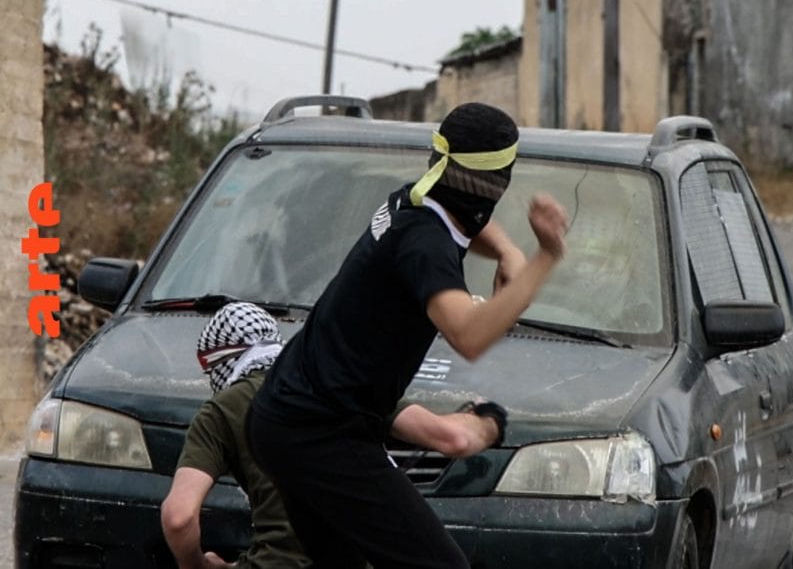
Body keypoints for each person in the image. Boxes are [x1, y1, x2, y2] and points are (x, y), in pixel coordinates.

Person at [248, 102, 569, 568]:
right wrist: (546, 257)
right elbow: (468, 335)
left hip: (286, 418)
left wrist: (507, 249)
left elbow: (468, 224)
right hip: (321, 434)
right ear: (496, 181)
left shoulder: (417, 202)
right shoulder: (425, 242)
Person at [161, 302, 509, 569]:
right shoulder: (338, 380)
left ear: (220, 362)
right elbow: (450, 437)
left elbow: (179, 517)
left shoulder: (221, 410)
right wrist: (489, 419)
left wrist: (196, 565)